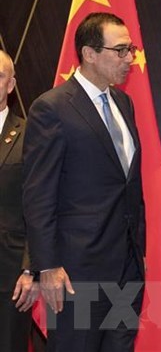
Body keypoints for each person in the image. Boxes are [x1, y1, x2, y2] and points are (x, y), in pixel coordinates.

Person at [22, 12, 145, 351]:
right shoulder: (52, 108)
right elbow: (38, 196)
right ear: (89, 53)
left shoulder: (124, 103)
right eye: (120, 51)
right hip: (77, 271)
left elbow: (128, 183)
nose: (130, 59)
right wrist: (46, 265)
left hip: (127, 266)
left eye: (130, 49)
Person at [0, 50, 38, 351]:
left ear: (10, 85)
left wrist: (30, 269)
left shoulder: (29, 136)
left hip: (9, 276)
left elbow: (38, 207)